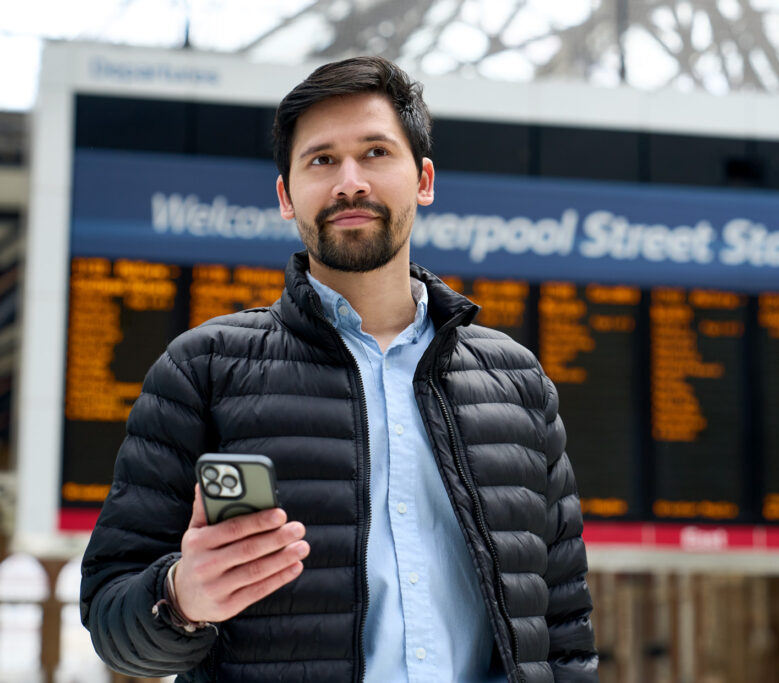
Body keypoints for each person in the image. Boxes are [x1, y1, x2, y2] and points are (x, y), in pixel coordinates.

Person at [79, 56, 598, 682]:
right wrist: (182, 600)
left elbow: (565, 634)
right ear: (285, 195)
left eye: (376, 152)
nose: (350, 182)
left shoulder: (517, 384)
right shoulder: (202, 370)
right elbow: (112, 620)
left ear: (424, 179)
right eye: (321, 160)